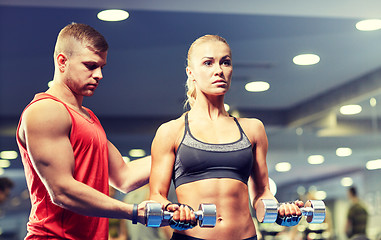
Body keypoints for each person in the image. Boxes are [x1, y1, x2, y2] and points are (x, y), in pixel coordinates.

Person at [149, 34, 304, 240]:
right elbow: (156, 197)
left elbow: (261, 195)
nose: (219, 70)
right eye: (208, 63)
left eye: (225, 62)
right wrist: (173, 210)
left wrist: (279, 211)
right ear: (191, 72)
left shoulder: (253, 129)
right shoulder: (171, 131)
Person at [16, 23, 151, 239]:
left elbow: (124, 177)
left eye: (102, 67)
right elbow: (62, 191)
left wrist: (178, 147)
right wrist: (133, 212)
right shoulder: (46, 110)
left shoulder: (87, 117)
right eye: (90, 66)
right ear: (62, 61)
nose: (99, 75)